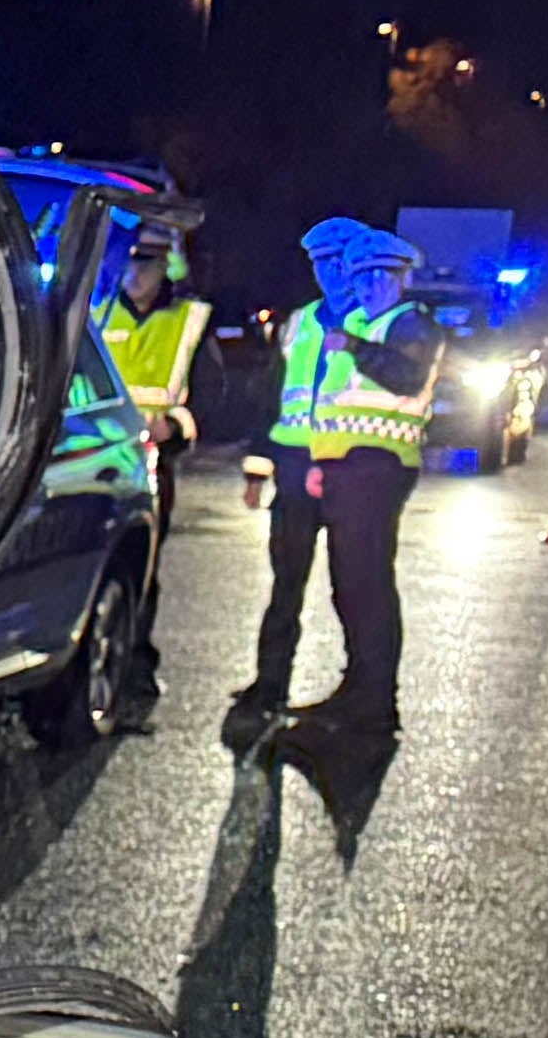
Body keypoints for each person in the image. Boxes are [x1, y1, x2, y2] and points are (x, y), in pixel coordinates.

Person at [222, 217, 442, 756]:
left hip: (358, 468)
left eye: (340, 262)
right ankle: (272, 684)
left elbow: (398, 380)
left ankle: (365, 696)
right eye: (320, 263)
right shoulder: (301, 323)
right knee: (288, 582)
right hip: (303, 465)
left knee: (359, 585)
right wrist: (259, 465)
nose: (332, 274)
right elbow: (275, 397)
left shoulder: (382, 322)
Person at [96, 236, 206, 541]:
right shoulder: (99, 317)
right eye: (130, 266)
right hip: (100, 450)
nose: (135, 275)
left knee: (146, 542)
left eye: (145, 267)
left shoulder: (186, 320)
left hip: (155, 454)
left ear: (163, 269)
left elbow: (210, 392)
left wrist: (174, 426)